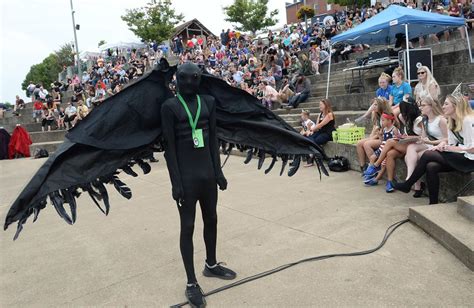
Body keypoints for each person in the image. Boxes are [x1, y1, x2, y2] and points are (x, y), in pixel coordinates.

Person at [161, 63, 236, 307]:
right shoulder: (169, 107)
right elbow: (169, 149)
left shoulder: (208, 102)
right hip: (187, 178)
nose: (190, 83)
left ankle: (211, 264)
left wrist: (219, 172)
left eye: (195, 78)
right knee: (188, 226)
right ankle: (191, 282)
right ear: (178, 80)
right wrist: (176, 183)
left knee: (212, 218)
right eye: (185, 79)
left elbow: (213, 139)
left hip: (207, 174)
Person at [394, 94, 474, 204]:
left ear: (456, 106)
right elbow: (451, 142)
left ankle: (408, 184)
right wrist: (441, 145)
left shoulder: (468, 120)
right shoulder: (451, 120)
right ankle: (433, 203)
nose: (443, 106)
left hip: (470, 160)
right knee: (431, 166)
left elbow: (472, 149)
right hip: (462, 156)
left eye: (446, 104)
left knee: (427, 154)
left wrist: (448, 148)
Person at [364, 98, 422, 193]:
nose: (402, 112)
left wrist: (406, 137)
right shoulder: (404, 117)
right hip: (406, 143)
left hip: (415, 145)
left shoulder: (419, 120)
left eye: (404, 109)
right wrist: (403, 136)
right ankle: (390, 181)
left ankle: (376, 164)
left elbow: (423, 137)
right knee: (390, 154)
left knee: (390, 142)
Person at [404, 96, 448, 197]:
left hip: (439, 146)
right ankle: (410, 180)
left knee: (408, 158)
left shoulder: (441, 120)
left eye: (423, 105)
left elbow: (448, 139)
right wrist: (409, 139)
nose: (420, 107)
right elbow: (423, 138)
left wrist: (431, 142)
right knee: (410, 148)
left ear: (431, 106)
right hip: (429, 144)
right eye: (420, 105)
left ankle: (414, 184)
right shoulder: (425, 119)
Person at [356, 97, 393, 173]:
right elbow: (375, 129)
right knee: (359, 143)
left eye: (375, 105)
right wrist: (371, 137)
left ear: (381, 105)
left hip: (386, 139)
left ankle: (374, 167)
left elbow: (383, 133)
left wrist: (372, 138)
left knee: (367, 144)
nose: (373, 106)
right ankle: (363, 167)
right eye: (373, 104)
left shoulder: (386, 116)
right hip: (379, 136)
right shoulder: (376, 114)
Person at [364, 113, 399, 186]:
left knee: (383, 165)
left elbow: (396, 141)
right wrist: (379, 135)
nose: (381, 122)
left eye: (383, 120)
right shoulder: (385, 129)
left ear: (389, 121)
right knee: (372, 157)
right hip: (381, 148)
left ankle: (376, 179)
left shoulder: (394, 129)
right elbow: (383, 140)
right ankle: (369, 173)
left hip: (387, 150)